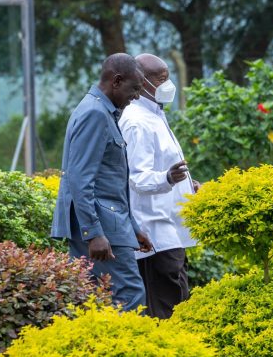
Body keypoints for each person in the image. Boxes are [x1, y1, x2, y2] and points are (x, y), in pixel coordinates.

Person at [51, 53, 153, 312]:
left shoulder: (103, 111)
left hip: (109, 223)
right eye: (134, 88)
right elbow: (79, 178)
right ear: (116, 81)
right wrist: (93, 233)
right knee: (129, 294)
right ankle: (129, 341)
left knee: (93, 299)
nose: (136, 96)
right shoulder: (95, 114)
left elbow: (110, 181)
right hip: (101, 226)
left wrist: (133, 227)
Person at [119, 53, 199, 319]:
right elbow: (137, 178)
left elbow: (165, 167)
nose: (168, 85)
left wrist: (186, 186)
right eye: (161, 79)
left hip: (169, 228)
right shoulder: (136, 122)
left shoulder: (154, 114)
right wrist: (168, 179)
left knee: (178, 300)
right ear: (142, 81)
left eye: (168, 78)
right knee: (165, 307)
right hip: (153, 231)